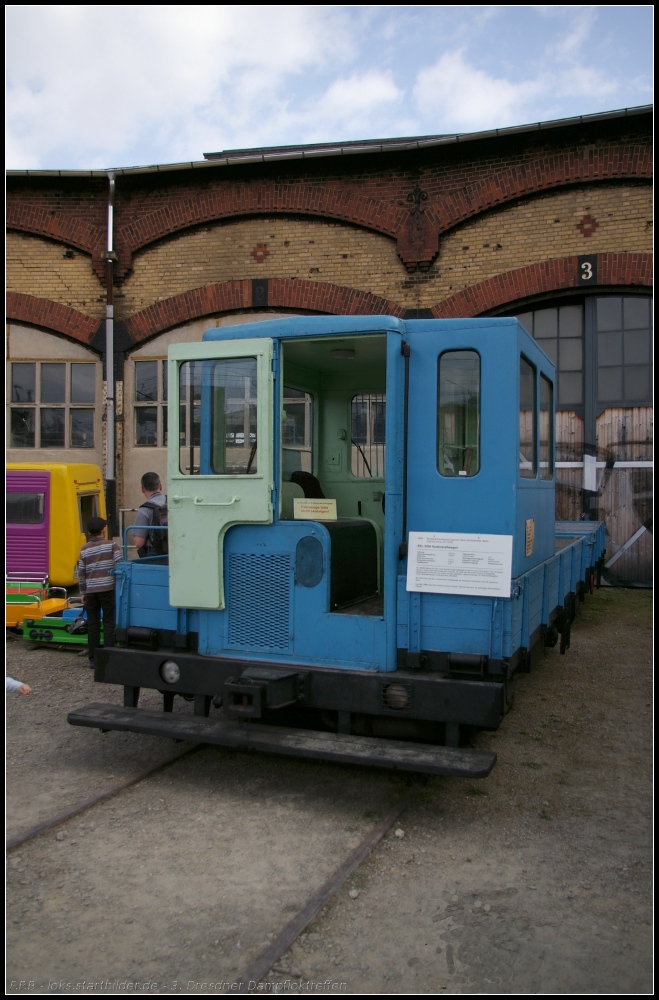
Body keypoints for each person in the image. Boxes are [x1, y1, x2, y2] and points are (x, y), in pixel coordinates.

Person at [77, 515, 121, 667]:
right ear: (104, 530)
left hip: (91, 591)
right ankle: (108, 658)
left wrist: (83, 592)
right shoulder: (112, 545)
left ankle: (93, 659)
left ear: (89, 533)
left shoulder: (84, 550)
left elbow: (81, 573)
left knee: (93, 624)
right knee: (108, 623)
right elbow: (120, 564)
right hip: (108, 588)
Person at [131, 472, 167, 558]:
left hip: (156, 554)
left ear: (142, 489)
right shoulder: (172, 502)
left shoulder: (144, 510)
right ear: (160, 486)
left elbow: (139, 543)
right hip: (175, 550)